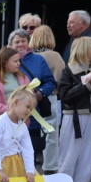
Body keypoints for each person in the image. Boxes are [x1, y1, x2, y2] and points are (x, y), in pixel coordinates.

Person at [56, 37, 91, 182]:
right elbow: (65, 96)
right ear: (85, 49)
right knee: (69, 154)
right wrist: (86, 85)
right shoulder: (68, 71)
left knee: (87, 156)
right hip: (73, 117)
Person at [3, 29, 57, 157]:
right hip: (9, 117)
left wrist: (41, 93)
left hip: (31, 118)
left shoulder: (38, 60)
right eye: (17, 42)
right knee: (8, 157)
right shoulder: (3, 60)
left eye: (24, 41)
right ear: (10, 45)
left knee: (28, 157)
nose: (21, 44)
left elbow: (50, 82)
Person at [28, 25, 66, 173]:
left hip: (29, 99)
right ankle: (50, 168)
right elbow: (62, 78)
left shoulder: (30, 57)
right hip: (49, 98)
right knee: (50, 135)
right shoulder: (54, 56)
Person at [0, 89, 38, 182]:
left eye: (31, 109)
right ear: (16, 102)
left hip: (16, 165)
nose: (29, 111)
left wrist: (30, 170)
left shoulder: (22, 126)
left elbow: (28, 149)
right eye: (27, 107)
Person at [0, 47, 33, 130]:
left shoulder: (24, 77)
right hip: (0, 125)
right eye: (15, 61)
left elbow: (31, 98)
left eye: (19, 60)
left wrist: (26, 108)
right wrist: (8, 109)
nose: (19, 63)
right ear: (5, 63)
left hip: (21, 124)